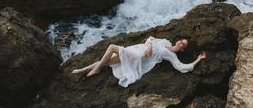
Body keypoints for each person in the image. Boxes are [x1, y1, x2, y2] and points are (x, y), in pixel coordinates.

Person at [72, 36, 207, 87]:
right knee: (108, 60)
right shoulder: (166, 41)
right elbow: (150, 38)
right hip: (139, 49)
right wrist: (148, 46)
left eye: (182, 45)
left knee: (112, 47)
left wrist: (198, 60)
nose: (179, 43)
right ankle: (84, 70)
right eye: (181, 41)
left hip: (139, 57)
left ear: (182, 50)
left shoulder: (172, 56)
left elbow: (182, 67)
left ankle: (94, 69)